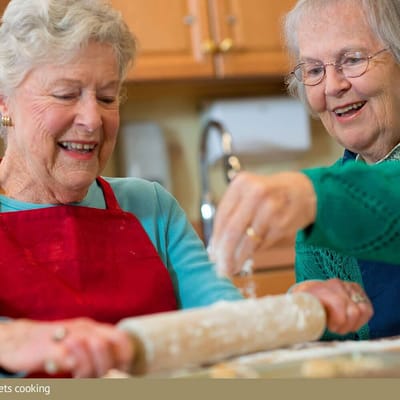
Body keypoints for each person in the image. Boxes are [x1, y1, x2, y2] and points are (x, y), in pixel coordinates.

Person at [0, 0, 372, 378]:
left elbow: (224, 320)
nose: (93, 119)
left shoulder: (150, 206)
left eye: (107, 97)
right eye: (65, 94)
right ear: (4, 103)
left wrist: (297, 310)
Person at [210, 0, 400, 341]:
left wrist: (310, 196)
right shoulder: (317, 216)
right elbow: (338, 365)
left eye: (353, 59)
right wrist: (311, 315)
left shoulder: (318, 199)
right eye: (314, 70)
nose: (331, 86)